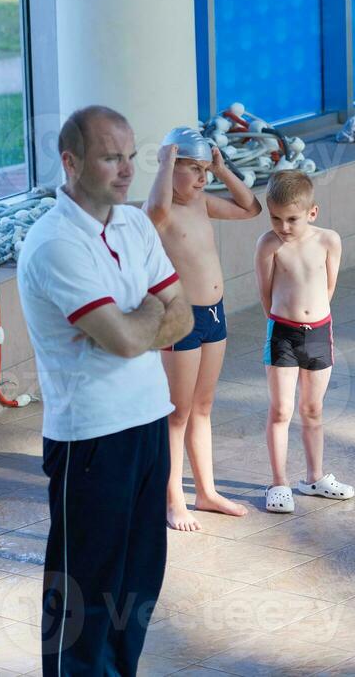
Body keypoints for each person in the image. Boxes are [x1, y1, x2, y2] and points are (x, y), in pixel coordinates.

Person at [17, 105, 194, 676]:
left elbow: (185, 317)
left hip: (147, 422)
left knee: (137, 583)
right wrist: (147, 312)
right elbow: (120, 339)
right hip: (90, 438)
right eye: (110, 157)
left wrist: (137, 319)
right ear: (71, 163)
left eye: (131, 156)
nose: (126, 170)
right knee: (84, 591)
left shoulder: (135, 223)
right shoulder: (55, 245)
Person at [144, 128, 262, 531]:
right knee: (177, 413)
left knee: (203, 407)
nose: (201, 178)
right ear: (170, 167)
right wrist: (164, 163)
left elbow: (250, 208)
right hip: (179, 318)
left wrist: (222, 168)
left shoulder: (201, 202)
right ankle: (173, 497)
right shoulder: (161, 209)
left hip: (214, 314)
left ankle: (206, 492)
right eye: (192, 169)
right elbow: (156, 209)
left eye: (203, 170)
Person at [254, 169, 355, 514]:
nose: (283, 227)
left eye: (292, 219)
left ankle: (314, 477)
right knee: (281, 409)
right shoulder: (269, 244)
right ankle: (278, 482)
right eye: (276, 218)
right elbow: (265, 294)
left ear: (312, 213)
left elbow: (329, 287)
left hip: (319, 333)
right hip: (282, 333)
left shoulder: (329, 240)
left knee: (313, 409)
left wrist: (313, 317)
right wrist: (287, 318)